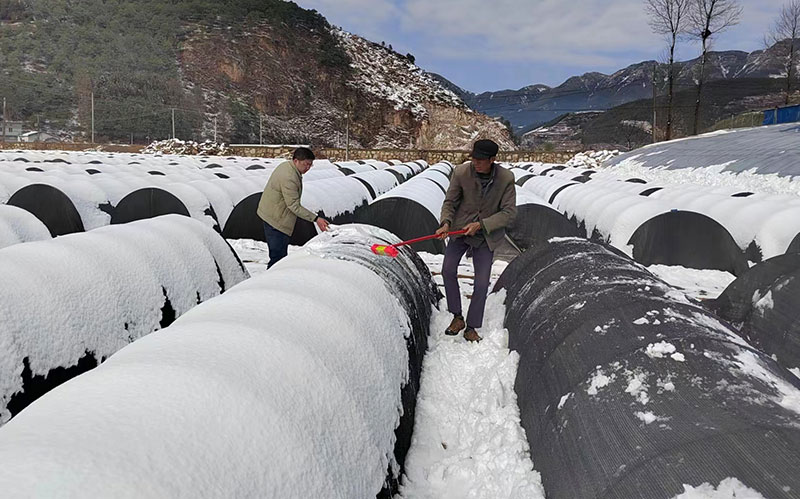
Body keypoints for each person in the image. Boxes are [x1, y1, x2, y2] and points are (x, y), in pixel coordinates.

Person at [436, 139, 517, 342]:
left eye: (481, 160)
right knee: (447, 270)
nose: (476, 163)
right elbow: (450, 202)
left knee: (481, 283)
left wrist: (481, 224)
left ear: (492, 159)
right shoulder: (462, 172)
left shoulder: (506, 178)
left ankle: (471, 326)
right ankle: (457, 317)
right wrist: (446, 222)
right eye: (473, 158)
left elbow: (509, 213)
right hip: (460, 230)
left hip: (485, 235)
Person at [257, 147, 330, 268]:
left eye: (310, 165)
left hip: (274, 212)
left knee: (279, 255)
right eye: (306, 164)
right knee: (278, 258)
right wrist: (316, 219)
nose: (308, 168)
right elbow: (293, 205)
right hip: (275, 219)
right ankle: (271, 282)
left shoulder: (288, 166)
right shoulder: (289, 177)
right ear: (296, 161)